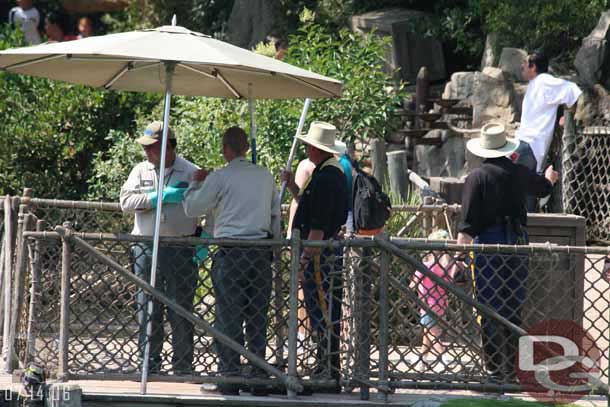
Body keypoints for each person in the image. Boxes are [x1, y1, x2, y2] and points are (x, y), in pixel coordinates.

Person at [453, 122, 559, 383]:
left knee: (489, 306)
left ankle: (493, 368)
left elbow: (466, 225)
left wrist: (458, 258)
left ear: (482, 151)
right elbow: (543, 188)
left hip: (489, 246)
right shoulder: (519, 172)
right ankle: (512, 368)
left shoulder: (476, 178)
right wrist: (550, 178)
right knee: (513, 304)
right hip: (517, 244)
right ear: (508, 150)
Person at [183, 126, 280, 396]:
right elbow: (275, 215)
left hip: (231, 251)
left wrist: (195, 182)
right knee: (257, 315)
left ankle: (230, 376)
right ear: (246, 148)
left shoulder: (219, 177)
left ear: (225, 150)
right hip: (261, 252)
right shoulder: (265, 176)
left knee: (228, 315)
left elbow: (193, 208)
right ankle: (258, 376)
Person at [120, 121, 199, 375]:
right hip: (145, 246)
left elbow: (207, 206)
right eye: (145, 148)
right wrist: (156, 198)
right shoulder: (139, 170)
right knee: (147, 307)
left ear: (167, 147)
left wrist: (203, 238)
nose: (146, 153)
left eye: (151, 148)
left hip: (180, 246)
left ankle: (183, 366)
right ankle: (148, 363)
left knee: (181, 307)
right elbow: (126, 201)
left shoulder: (191, 172)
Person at [281, 121, 348, 391]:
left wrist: (308, 256)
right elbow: (309, 204)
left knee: (323, 310)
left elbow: (319, 221)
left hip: (321, 255)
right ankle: (324, 364)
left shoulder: (327, 176)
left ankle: (329, 369)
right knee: (320, 309)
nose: (307, 147)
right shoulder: (324, 172)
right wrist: (291, 187)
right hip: (321, 250)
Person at [514, 51, 581, 210]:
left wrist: (569, 115)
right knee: (525, 190)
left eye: (525, 62)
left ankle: (525, 230)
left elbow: (573, 90)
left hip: (530, 145)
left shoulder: (544, 81)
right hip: (527, 145)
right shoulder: (535, 84)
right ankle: (525, 229)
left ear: (534, 66)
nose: (522, 65)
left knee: (524, 192)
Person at [410, 229, 455, 373]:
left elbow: (413, 283)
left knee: (432, 333)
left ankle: (443, 357)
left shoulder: (426, 266)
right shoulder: (448, 267)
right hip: (441, 304)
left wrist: (412, 285)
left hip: (427, 304)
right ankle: (422, 359)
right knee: (428, 332)